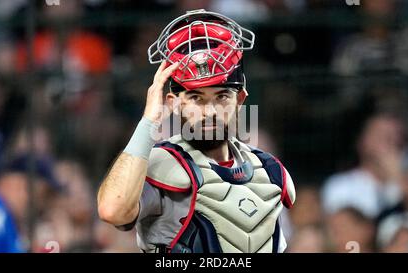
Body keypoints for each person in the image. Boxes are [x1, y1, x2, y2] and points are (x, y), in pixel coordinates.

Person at [97, 9, 296, 253]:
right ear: (173, 102)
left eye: (222, 96)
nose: (210, 111)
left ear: (240, 99)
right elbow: (112, 210)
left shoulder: (269, 170)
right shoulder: (161, 163)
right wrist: (149, 121)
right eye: (196, 98)